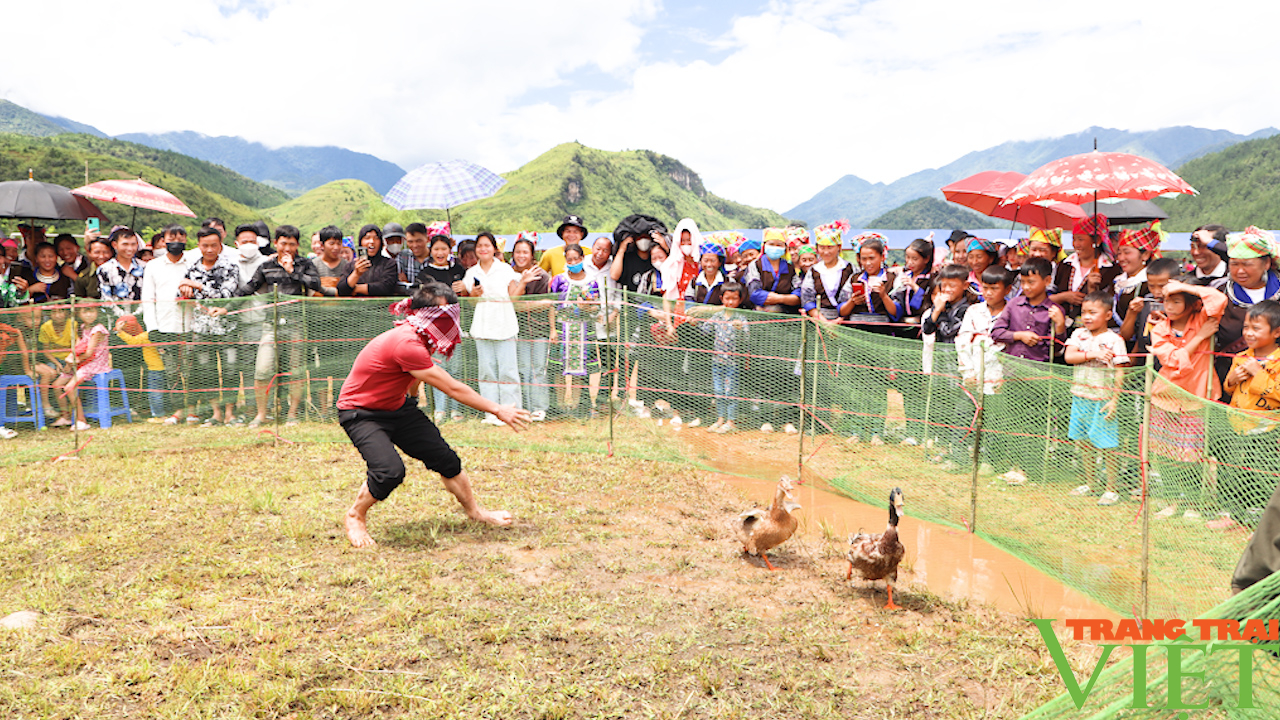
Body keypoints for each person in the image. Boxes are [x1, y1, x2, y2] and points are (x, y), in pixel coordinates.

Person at [338, 282, 529, 548]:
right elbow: (451, 387)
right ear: (421, 314)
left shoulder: (421, 337)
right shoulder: (407, 342)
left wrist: (412, 400)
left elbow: (412, 376)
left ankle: (475, 512)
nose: (448, 321)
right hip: (361, 412)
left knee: (447, 460)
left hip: (398, 407)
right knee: (389, 471)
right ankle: (355, 515)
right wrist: (498, 409)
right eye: (441, 314)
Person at [236, 225, 323, 427]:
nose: (287, 248)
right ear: (276, 243)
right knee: (263, 370)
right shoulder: (266, 265)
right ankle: (261, 414)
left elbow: (316, 284)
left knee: (295, 371)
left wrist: (292, 272)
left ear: (297, 245)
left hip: (296, 324)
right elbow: (249, 287)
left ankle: (292, 414)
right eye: (283, 243)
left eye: (292, 244)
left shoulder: (306, 264)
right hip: (270, 324)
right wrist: (225, 307)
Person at [990, 257, 1067, 484]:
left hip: (1039, 375)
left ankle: (1032, 468)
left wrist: (1060, 324)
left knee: (1036, 422)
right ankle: (1015, 466)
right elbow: (997, 331)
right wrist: (1018, 336)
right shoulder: (1013, 304)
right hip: (1013, 374)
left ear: (1047, 281)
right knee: (1014, 421)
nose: (1026, 287)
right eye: (1023, 282)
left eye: (1031, 282)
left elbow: (1059, 345)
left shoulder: (1054, 310)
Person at [457, 232, 539, 425]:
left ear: (494, 248)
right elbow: (470, 303)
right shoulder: (471, 273)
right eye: (480, 246)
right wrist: (474, 294)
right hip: (482, 325)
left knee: (508, 371)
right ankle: (491, 413)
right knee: (487, 372)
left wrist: (524, 282)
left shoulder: (505, 270)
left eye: (487, 245)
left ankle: (512, 412)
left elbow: (514, 298)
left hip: (505, 324)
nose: (483, 249)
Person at [1148, 279, 1227, 463]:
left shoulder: (1203, 319)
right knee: (1162, 451)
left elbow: (1219, 299)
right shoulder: (1159, 329)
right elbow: (1173, 360)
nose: (1169, 306)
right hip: (1165, 397)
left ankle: (1190, 490)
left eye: (1176, 301)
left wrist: (1184, 287)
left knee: (1192, 453)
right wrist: (1200, 337)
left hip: (1197, 396)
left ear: (1194, 304)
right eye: (1167, 301)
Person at [1064, 291, 1131, 505]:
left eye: (1093, 312)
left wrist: (1114, 400)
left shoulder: (1115, 340)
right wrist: (1093, 355)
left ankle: (1111, 488)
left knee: (1107, 444)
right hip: (1080, 395)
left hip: (1102, 399)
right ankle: (1091, 483)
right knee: (1084, 442)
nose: (1087, 317)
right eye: (1084, 312)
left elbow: (1120, 371)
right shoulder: (1078, 335)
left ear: (1108, 314)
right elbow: (1069, 356)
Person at [1220, 299, 1280, 532]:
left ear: (1276, 332)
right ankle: (1232, 514)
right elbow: (1230, 388)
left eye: (1256, 328)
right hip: (1238, 424)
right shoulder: (1242, 356)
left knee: (1263, 472)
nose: (1249, 333)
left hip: (1267, 428)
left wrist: (1257, 374)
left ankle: (1263, 519)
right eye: (1246, 327)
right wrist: (1232, 380)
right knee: (1233, 468)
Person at [180, 227, 241, 426]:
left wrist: (198, 286)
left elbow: (226, 295)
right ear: (198, 245)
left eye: (213, 245)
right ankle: (216, 413)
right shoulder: (192, 268)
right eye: (205, 245)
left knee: (231, 369)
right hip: (201, 328)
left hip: (226, 327)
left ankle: (230, 412)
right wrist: (186, 289)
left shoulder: (231, 267)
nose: (209, 249)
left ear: (220, 244)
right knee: (206, 371)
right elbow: (184, 293)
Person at [957, 265, 1012, 472]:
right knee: (964, 413)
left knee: (994, 419)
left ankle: (991, 460)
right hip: (973, 371)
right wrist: (967, 371)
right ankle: (960, 456)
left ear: (1007, 290)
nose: (988, 293)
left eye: (994, 288)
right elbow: (962, 342)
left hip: (997, 373)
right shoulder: (973, 311)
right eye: (985, 288)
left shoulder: (1011, 312)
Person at [142, 224, 197, 424]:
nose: (177, 241)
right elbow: (147, 299)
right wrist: (152, 328)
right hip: (164, 327)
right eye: (171, 237)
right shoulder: (153, 266)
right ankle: (178, 410)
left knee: (191, 370)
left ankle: (192, 410)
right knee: (172, 372)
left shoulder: (193, 263)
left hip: (191, 325)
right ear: (164, 240)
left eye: (181, 237)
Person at [920, 264, 973, 464]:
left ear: (965, 285)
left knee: (960, 411)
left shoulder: (966, 309)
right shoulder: (944, 305)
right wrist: (938, 310)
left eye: (953, 285)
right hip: (942, 366)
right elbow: (927, 328)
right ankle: (945, 448)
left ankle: (960, 454)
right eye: (944, 286)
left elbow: (950, 330)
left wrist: (939, 312)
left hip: (959, 366)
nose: (948, 290)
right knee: (944, 409)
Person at [548, 244, 605, 417]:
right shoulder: (559, 279)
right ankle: (559, 406)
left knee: (580, 368)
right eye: (569, 259)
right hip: (562, 327)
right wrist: (552, 330)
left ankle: (576, 406)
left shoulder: (592, 281)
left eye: (576, 259)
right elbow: (552, 305)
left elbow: (596, 309)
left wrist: (586, 308)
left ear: (582, 259)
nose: (573, 262)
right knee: (559, 368)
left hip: (583, 329)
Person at [696, 281, 749, 433]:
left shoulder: (741, 317)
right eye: (727, 298)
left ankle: (731, 421)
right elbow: (704, 330)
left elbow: (746, 338)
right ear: (721, 298)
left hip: (733, 363)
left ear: (740, 299)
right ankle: (720, 419)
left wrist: (739, 328)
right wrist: (694, 323)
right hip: (717, 361)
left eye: (734, 299)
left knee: (731, 391)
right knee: (719, 391)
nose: (730, 302)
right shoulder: (717, 315)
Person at [510, 233, 552, 421]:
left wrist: (522, 305)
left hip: (539, 329)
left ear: (532, 254)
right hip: (516, 330)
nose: (521, 256)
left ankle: (540, 407)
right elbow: (511, 302)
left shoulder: (541, 275)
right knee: (523, 368)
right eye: (517, 252)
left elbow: (547, 302)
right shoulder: (509, 274)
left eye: (525, 252)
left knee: (538, 368)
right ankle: (525, 405)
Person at [52, 302, 111, 432]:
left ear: (97, 312)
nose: (89, 314)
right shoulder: (83, 327)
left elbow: (90, 353)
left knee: (69, 387)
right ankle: (66, 416)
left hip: (95, 364)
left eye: (92, 311)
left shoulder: (98, 329)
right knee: (57, 385)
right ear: (79, 313)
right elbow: (77, 348)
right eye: (85, 311)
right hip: (81, 362)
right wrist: (69, 363)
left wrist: (73, 362)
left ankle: (81, 420)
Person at [1052, 215, 1121, 320]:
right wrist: (1064, 297)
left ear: (1096, 241)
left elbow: (1109, 305)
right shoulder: (1064, 265)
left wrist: (1092, 289)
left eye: (1080, 239)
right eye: (1074, 239)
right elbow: (1047, 297)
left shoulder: (1111, 270)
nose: (1076, 244)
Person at [114, 314, 167, 420]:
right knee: (164, 390)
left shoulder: (147, 335)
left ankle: (159, 415)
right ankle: (166, 411)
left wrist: (120, 332)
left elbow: (133, 341)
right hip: (167, 367)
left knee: (155, 392)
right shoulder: (166, 334)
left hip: (154, 369)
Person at [36, 304, 77, 423]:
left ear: (67, 313)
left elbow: (76, 347)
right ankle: (50, 407)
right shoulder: (45, 327)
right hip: (54, 359)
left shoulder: (73, 324)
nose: (58, 315)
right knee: (51, 373)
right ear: (49, 315)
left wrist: (68, 362)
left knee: (70, 378)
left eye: (61, 311)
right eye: (54, 312)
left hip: (70, 358)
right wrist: (57, 364)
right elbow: (46, 350)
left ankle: (71, 411)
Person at [339, 224, 399, 297]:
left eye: (376, 238)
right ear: (361, 241)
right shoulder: (350, 266)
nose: (372, 241)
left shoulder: (389, 264)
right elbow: (341, 290)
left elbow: (385, 287)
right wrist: (356, 273)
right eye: (367, 238)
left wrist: (356, 289)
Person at [312, 225, 352, 297]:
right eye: (332, 243)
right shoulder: (313, 265)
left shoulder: (347, 266)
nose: (336, 247)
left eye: (339, 243)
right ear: (322, 245)